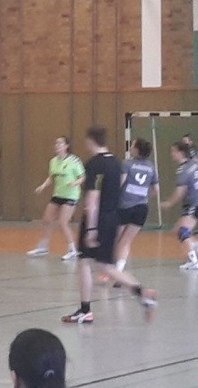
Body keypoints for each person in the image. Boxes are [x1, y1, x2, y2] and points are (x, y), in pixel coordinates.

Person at [61, 126, 157, 324]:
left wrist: (91, 229)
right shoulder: (116, 163)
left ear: (91, 141)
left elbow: (93, 199)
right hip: (113, 218)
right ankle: (142, 292)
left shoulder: (94, 164)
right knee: (106, 266)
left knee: (84, 261)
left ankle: (85, 310)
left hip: (97, 219)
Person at [107, 139, 160, 282]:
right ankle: (119, 271)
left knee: (115, 239)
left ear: (137, 150)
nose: (130, 148)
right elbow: (156, 190)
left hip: (124, 207)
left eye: (132, 145)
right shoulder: (151, 167)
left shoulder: (127, 164)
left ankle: (110, 270)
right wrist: (143, 195)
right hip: (142, 208)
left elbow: (120, 182)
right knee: (126, 241)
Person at [27, 137, 85, 261]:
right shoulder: (53, 161)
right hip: (58, 194)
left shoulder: (74, 161)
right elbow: (51, 177)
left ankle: (72, 250)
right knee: (46, 220)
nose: (57, 145)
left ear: (66, 146)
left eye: (60, 143)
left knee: (63, 222)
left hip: (71, 195)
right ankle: (43, 247)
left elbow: (82, 177)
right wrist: (43, 186)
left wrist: (75, 183)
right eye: (56, 143)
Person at [160, 141, 198, 270]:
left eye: (173, 151)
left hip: (193, 204)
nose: (172, 154)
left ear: (181, 153)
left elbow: (180, 191)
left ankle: (194, 261)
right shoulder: (195, 164)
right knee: (177, 230)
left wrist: (169, 203)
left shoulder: (183, 170)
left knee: (183, 232)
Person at [182, 134, 198, 236]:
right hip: (195, 178)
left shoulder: (191, 151)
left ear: (190, 142)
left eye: (186, 141)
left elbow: (197, 161)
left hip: (197, 179)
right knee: (197, 203)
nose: (184, 143)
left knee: (196, 203)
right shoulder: (188, 152)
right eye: (183, 141)